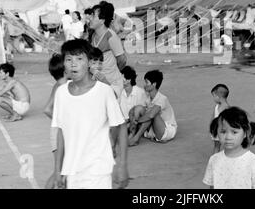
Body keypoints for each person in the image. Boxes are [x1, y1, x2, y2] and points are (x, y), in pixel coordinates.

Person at [51, 39, 129, 189]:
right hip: (72, 170)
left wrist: (123, 165)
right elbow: (61, 132)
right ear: (64, 65)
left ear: (89, 63)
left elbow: (121, 126)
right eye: (68, 59)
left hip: (98, 170)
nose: (73, 64)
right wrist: (57, 170)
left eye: (79, 59)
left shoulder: (104, 91)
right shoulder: (61, 93)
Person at [203, 106, 255, 189]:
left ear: (245, 133)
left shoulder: (254, 162)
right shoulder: (214, 160)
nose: (228, 137)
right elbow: (212, 187)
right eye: (223, 131)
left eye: (234, 132)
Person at [128, 70, 177, 146]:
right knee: (138, 108)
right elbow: (134, 110)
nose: (144, 85)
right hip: (154, 129)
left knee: (151, 113)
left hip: (166, 130)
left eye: (147, 82)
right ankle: (132, 135)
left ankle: (136, 138)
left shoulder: (162, 98)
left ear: (154, 84)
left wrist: (137, 121)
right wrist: (132, 121)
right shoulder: (147, 98)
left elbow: (151, 115)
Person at [89, 2, 127, 99]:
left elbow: (122, 60)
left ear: (102, 20)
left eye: (93, 16)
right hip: (97, 82)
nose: (90, 19)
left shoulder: (111, 36)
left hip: (111, 84)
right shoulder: (92, 36)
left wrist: (112, 72)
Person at [43, 54, 68, 189]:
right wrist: (62, 123)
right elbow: (47, 109)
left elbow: (47, 109)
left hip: (58, 131)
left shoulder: (59, 85)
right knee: (60, 170)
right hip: (60, 133)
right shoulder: (63, 86)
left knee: (63, 169)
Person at [210, 84, 230, 154]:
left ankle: (217, 159)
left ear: (218, 96)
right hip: (216, 129)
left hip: (221, 130)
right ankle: (216, 159)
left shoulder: (225, 107)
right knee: (217, 146)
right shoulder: (217, 105)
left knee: (219, 146)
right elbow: (213, 116)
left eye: (213, 96)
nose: (213, 98)